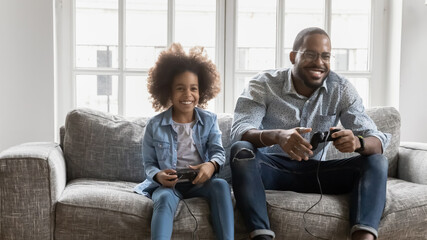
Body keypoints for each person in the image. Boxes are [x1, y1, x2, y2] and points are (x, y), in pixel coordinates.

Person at [230, 27, 390, 240]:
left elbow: (377, 140)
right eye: (310, 55)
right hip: (271, 169)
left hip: (317, 173)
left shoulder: (341, 89)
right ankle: (261, 236)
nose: (319, 62)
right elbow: (240, 131)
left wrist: (358, 143)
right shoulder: (263, 84)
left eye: (325, 56)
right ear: (293, 56)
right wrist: (279, 136)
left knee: (376, 161)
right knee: (241, 150)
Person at [134, 43, 234, 240]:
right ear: (168, 92)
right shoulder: (154, 125)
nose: (188, 95)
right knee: (162, 199)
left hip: (200, 182)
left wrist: (211, 166)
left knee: (221, 185)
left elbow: (218, 152)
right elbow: (149, 164)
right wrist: (159, 176)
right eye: (180, 88)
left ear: (201, 91)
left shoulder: (209, 120)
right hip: (169, 186)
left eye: (193, 89)